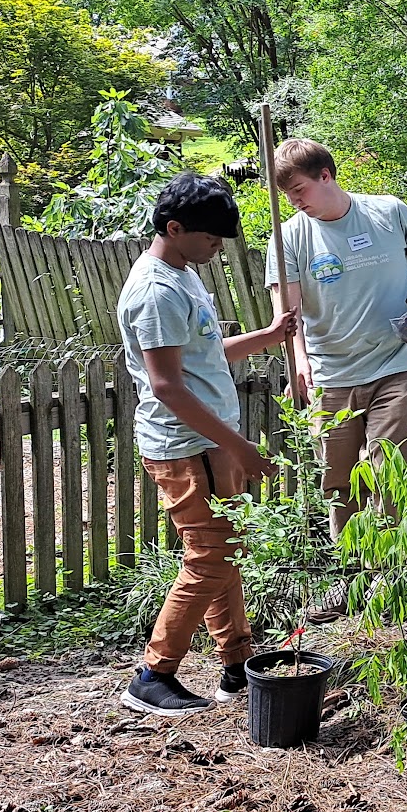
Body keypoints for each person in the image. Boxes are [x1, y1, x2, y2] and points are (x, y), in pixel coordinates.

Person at [117, 175, 298, 716]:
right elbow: (167, 384)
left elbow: (203, 353)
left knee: (226, 553)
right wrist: (240, 446)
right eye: (212, 240)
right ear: (174, 229)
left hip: (207, 439)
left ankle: (237, 662)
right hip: (185, 445)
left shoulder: (183, 274)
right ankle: (154, 673)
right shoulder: (155, 292)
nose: (218, 250)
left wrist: (267, 336)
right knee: (210, 554)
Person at [265, 138, 407, 541]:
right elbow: (287, 313)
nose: (294, 201)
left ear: (325, 175)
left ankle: (397, 571)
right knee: (339, 484)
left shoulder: (388, 212)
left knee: (394, 474)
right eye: (286, 195)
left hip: (397, 362)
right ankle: (355, 573)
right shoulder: (288, 239)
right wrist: (299, 361)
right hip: (330, 373)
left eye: (298, 190)